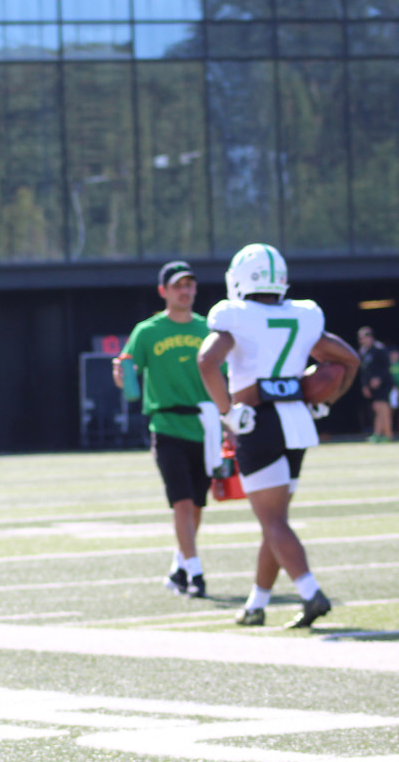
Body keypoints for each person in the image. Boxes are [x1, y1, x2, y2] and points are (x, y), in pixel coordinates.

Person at [197, 243, 359, 629]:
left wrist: (227, 412)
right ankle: (257, 603)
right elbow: (347, 359)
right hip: (296, 422)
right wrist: (327, 400)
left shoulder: (236, 316)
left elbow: (207, 361)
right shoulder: (302, 314)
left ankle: (309, 592)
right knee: (275, 519)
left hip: (258, 422)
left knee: (272, 521)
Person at [113, 260, 216, 599]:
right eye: (178, 286)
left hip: (205, 425)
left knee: (197, 504)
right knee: (182, 503)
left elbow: (224, 373)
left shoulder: (208, 329)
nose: (185, 291)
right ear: (164, 291)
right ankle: (197, 573)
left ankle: (179, 565)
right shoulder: (148, 331)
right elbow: (127, 370)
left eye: (190, 285)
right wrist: (121, 374)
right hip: (166, 423)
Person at [357, 326, 392, 443]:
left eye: (364, 338)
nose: (362, 340)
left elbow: (387, 367)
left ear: (370, 337)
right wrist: (365, 385)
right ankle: (378, 433)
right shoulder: (363, 351)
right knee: (377, 408)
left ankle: (387, 434)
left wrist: (379, 379)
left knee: (382, 407)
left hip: (384, 384)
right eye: (360, 338)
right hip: (371, 386)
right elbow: (363, 371)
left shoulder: (379, 349)